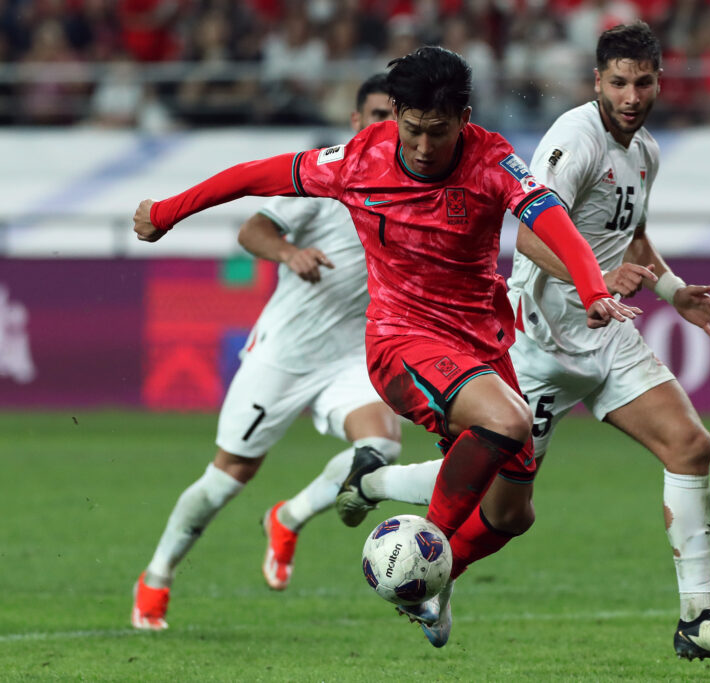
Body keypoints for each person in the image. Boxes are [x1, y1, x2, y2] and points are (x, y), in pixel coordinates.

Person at [131, 46, 639, 647]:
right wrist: (167, 211)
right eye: (413, 129)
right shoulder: (356, 159)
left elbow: (549, 215)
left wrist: (590, 284)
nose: (424, 147)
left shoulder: (491, 159)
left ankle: (390, 512)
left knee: (511, 513)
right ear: (394, 113)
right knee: (508, 420)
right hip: (399, 340)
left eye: (440, 132)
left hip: (480, 344)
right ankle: (425, 564)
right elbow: (251, 176)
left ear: (465, 118)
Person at [335, 23, 710, 664]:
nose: (630, 95)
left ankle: (695, 620)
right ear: (597, 81)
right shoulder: (574, 139)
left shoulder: (644, 150)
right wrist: (591, 278)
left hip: (606, 337)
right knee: (509, 512)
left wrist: (672, 289)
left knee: (690, 445)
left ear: (658, 83)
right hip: (538, 342)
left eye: (642, 82)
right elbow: (532, 233)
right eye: (618, 82)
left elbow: (633, 234)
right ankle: (382, 488)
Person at [130, 74, 400, 631]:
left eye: (395, 117)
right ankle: (157, 573)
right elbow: (252, 229)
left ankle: (289, 517)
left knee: (379, 446)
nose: (385, 128)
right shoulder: (330, 180)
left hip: (351, 356)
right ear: (355, 123)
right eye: (375, 115)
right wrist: (289, 252)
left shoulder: (412, 190)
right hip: (284, 354)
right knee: (228, 475)